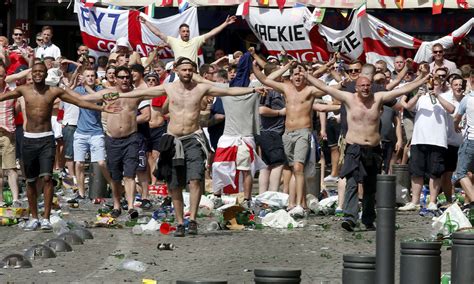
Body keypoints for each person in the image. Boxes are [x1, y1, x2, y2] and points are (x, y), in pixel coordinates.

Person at [115, 57, 264, 237]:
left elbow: (230, 91)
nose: (187, 73)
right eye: (184, 70)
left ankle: (192, 219)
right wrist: (119, 94)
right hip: (173, 139)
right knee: (175, 183)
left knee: (195, 178)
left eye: (190, 70)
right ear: (176, 70)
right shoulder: (168, 88)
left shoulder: (201, 88)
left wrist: (253, 89)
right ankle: (179, 222)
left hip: (193, 138)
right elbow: (141, 94)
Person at [0, 62, 119, 231]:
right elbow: (3, 97)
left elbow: (80, 102)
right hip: (28, 140)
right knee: (31, 181)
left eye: (41, 72)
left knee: (48, 178)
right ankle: (34, 217)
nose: (38, 74)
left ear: (46, 74)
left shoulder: (53, 91)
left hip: (46, 139)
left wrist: (102, 107)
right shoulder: (23, 89)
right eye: (35, 72)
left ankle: (46, 218)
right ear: (31, 74)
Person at [305, 71, 430, 231]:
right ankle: (350, 218)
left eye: (367, 85)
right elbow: (325, 87)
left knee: (371, 186)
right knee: (351, 182)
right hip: (353, 148)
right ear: (356, 88)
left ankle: (368, 219)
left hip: (373, 149)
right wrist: (307, 76)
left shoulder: (378, 99)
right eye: (362, 85)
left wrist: (423, 79)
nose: (365, 88)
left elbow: (401, 90)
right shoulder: (348, 98)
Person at [252, 60, 325, 217]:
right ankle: (293, 204)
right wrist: (284, 67)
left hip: (303, 132)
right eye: (295, 73)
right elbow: (265, 79)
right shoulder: (286, 88)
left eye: (301, 73)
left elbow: (326, 89)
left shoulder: (310, 90)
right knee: (289, 170)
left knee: (298, 168)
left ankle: (300, 204)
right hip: (287, 133)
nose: (298, 76)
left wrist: (308, 75)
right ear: (290, 76)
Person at [139, 15, 236, 64]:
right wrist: (145, 22)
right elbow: (158, 33)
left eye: (187, 31)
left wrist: (225, 23)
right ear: (180, 32)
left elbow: (212, 33)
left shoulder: (195, 41)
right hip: (179, 76)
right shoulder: (174, 41)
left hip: (194, 75)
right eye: (183, 31)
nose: (186, 33)